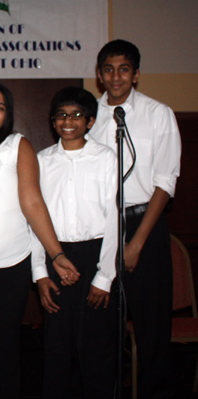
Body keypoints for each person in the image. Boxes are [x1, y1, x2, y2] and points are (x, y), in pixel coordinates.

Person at [0, 81, 80, 399]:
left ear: (8, 116)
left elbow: (33, 203)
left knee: (0, 351)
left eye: (1, 108)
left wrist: (56, 254)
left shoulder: (17, 145)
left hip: (8, 265)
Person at [89, 39, 181, 398]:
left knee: (152, 329)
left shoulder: (158, 114)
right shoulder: (90, 118)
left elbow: (165, 181)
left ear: (137, 74)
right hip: (101, 228)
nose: (116, 77)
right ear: (99, 75)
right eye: (109, 69)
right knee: (101, 328)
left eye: (124, 69)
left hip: (145, 225)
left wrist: (137, 242)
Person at [34, 86, 118, 398]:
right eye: (62, 115)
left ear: (91, 121)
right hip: (55, 255)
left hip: (96, 256)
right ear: (53, 121)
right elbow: (33, 219)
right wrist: (40, 274)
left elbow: (115, 221)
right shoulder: (42, 161)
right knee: (56, 349)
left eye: (77, 115)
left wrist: (105, 277)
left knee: (95, 349)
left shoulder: (106, 158)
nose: (69, 120)